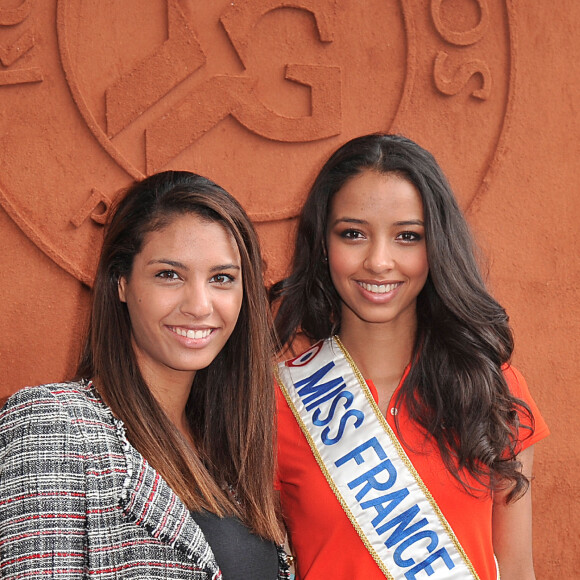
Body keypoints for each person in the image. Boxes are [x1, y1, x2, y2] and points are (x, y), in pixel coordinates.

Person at [270, 134, 549, 580]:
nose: (380, 261)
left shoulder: (491, 388)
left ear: (435, 245)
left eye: (407, 236)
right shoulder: (275, 403)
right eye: (354, 234)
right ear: (323, 245)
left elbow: (516, 569)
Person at [0, 171, 290, 579]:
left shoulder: (233, 445)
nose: (200, 305)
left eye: (221, 278)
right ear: (121, 282)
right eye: (169, 275)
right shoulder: (54, 424)